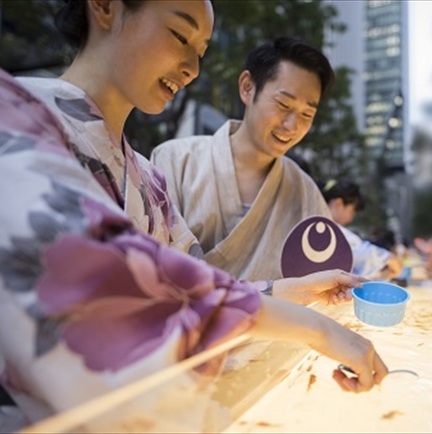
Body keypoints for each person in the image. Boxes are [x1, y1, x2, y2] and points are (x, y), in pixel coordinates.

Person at [0, 1, 388, 430]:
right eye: (180, 36)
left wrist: (299, 290)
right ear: (104, 6)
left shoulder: (151, 183)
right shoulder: (3, 108)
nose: (193, 67)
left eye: (201, 50)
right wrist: (315, 329)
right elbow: (111, 289)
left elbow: (203, 288)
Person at [151, 38, 393, 280]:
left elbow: (326, 270)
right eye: (283, 104)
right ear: (247, 87)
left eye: (307, 114)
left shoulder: (304, 191)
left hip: (271, 319)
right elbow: (153, 268)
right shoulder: (174, 161)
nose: (291, 125)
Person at [318, 179, 401, 278]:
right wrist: (387, 257)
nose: (351, 218)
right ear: (338, 203)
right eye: (352, 211)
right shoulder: (322, 228)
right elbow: (355, 250)